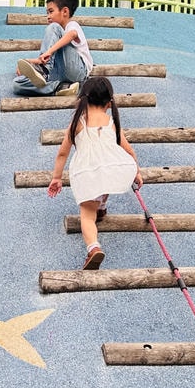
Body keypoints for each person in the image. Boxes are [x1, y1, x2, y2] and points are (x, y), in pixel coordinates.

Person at [46, 77, 142, 270]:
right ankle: (102, 205)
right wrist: (136, 172)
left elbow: (63, 153)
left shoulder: (78, 122)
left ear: (83, 99)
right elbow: (129, 151)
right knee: (106, 176)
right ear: (109, 103)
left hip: (87, 173)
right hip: (112, 169)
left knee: (87, 216)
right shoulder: (111, 122)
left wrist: (56, 177)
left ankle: (93, 248)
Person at [14, 0, 94, 96]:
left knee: (54, 27)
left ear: (65, 12)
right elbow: (45, 58)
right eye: (47, 13)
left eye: (51, 11)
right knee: (17, 84)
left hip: (78, 70)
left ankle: (43, 70)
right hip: (59, 73)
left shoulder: (72, 25)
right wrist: (27, 63)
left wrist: (49, 52)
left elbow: (72, 34)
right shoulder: (55, 37)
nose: (48, 16)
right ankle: (60, 87)